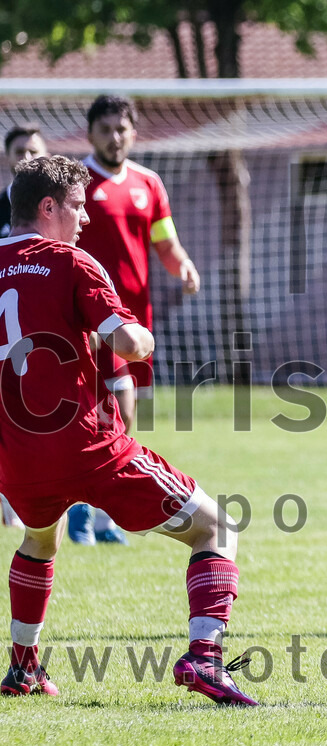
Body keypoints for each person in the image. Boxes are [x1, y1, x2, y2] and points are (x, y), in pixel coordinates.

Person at [0, 155, 255, 705]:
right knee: (218, 529)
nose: (85, 219)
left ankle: (22, 670)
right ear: (48, 208)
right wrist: (144, 337)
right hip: (87, 449)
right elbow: (129, 344)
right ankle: (204, 658)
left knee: (40, 539)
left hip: (16, 458)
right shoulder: (71, 262)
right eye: (76, 206)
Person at [68, 94, 201, 545]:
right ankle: (85, 513)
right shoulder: (78, 183)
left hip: (133, 324)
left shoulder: (148, 183)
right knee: (109, 412)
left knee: (121, 418)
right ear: (91, 134)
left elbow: (165, 241)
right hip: (86, 322)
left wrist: (183, 265)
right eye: (105, 129)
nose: (114, 137)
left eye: (121, 128)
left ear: (134, 132)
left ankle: (95, 516)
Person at [1, 124, 49, 532]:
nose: (27, 159)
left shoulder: (57, 214)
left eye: (34, 151)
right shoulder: (4, 209)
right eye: (20, 151)